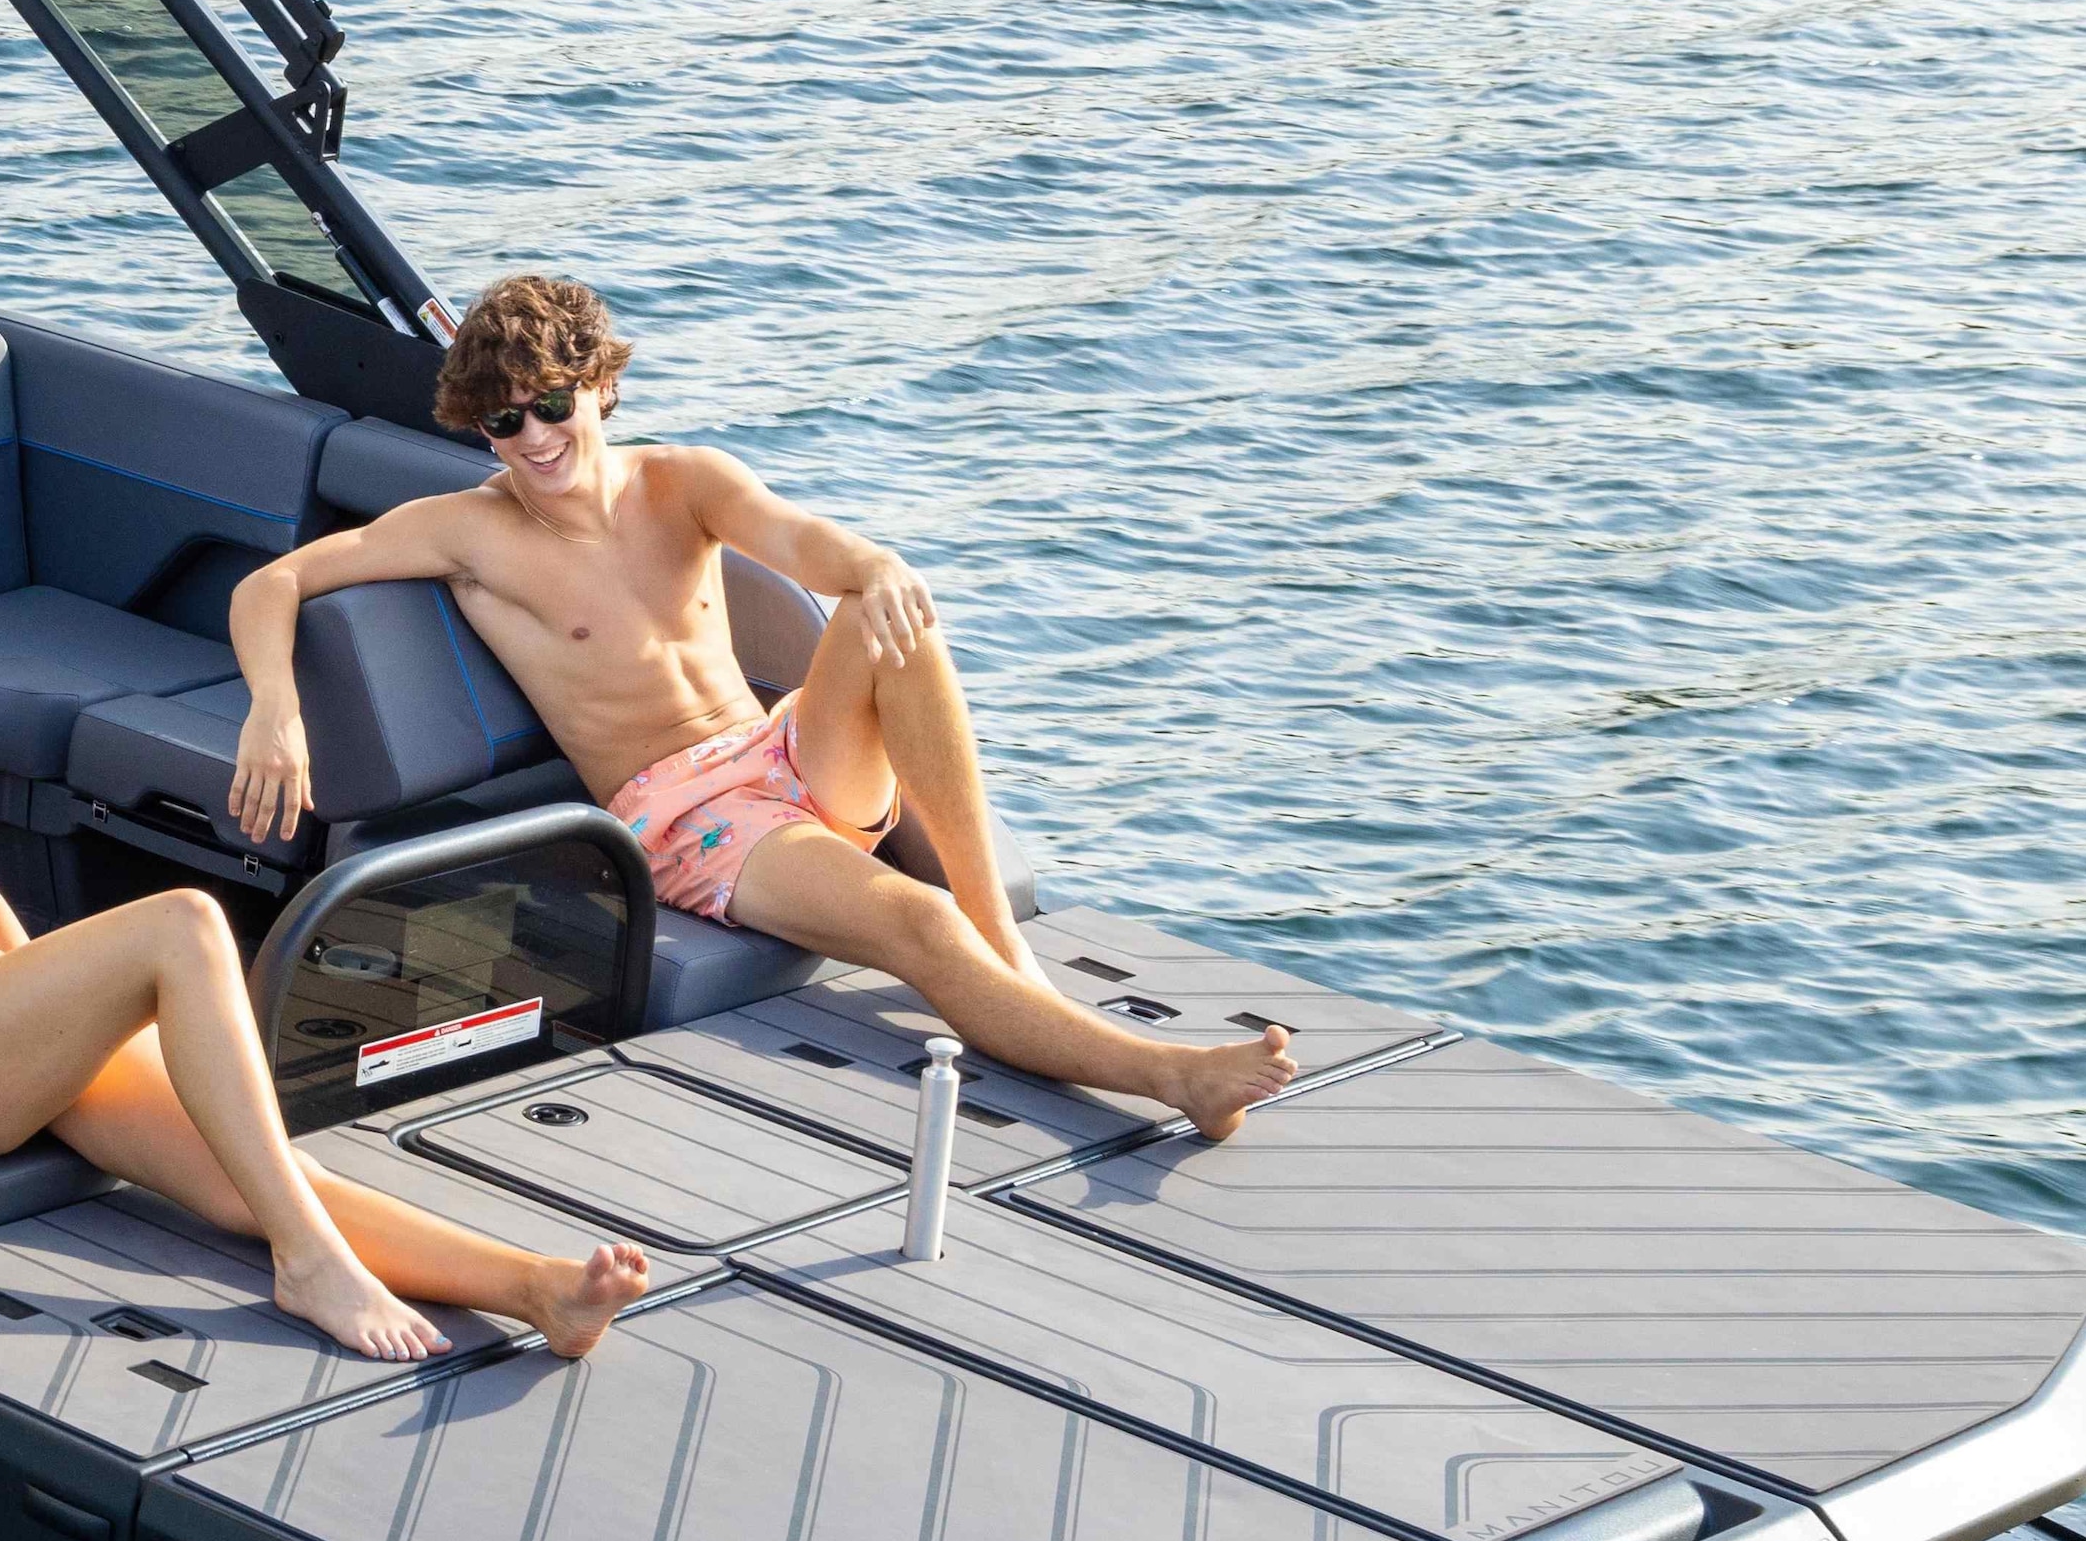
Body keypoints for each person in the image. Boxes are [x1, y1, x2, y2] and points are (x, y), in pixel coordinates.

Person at [225, 274, 1297, 1141]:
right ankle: (1166, 1076)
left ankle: (1004, 956)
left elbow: (806, 546)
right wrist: (274, 710)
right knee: (911, 922)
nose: (534, 438)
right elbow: (271, 584)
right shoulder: (468, 530)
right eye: (503, 423)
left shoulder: (682, 480)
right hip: (683, 818)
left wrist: (874, 564)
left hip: (781, 749)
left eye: (551, 405)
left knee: (892, 615)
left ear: (597, 387)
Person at [0, 497, 652, 1365]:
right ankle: (308, 1264)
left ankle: (534, 1289)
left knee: (255, 1172)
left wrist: (46, 995)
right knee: (183, 923)